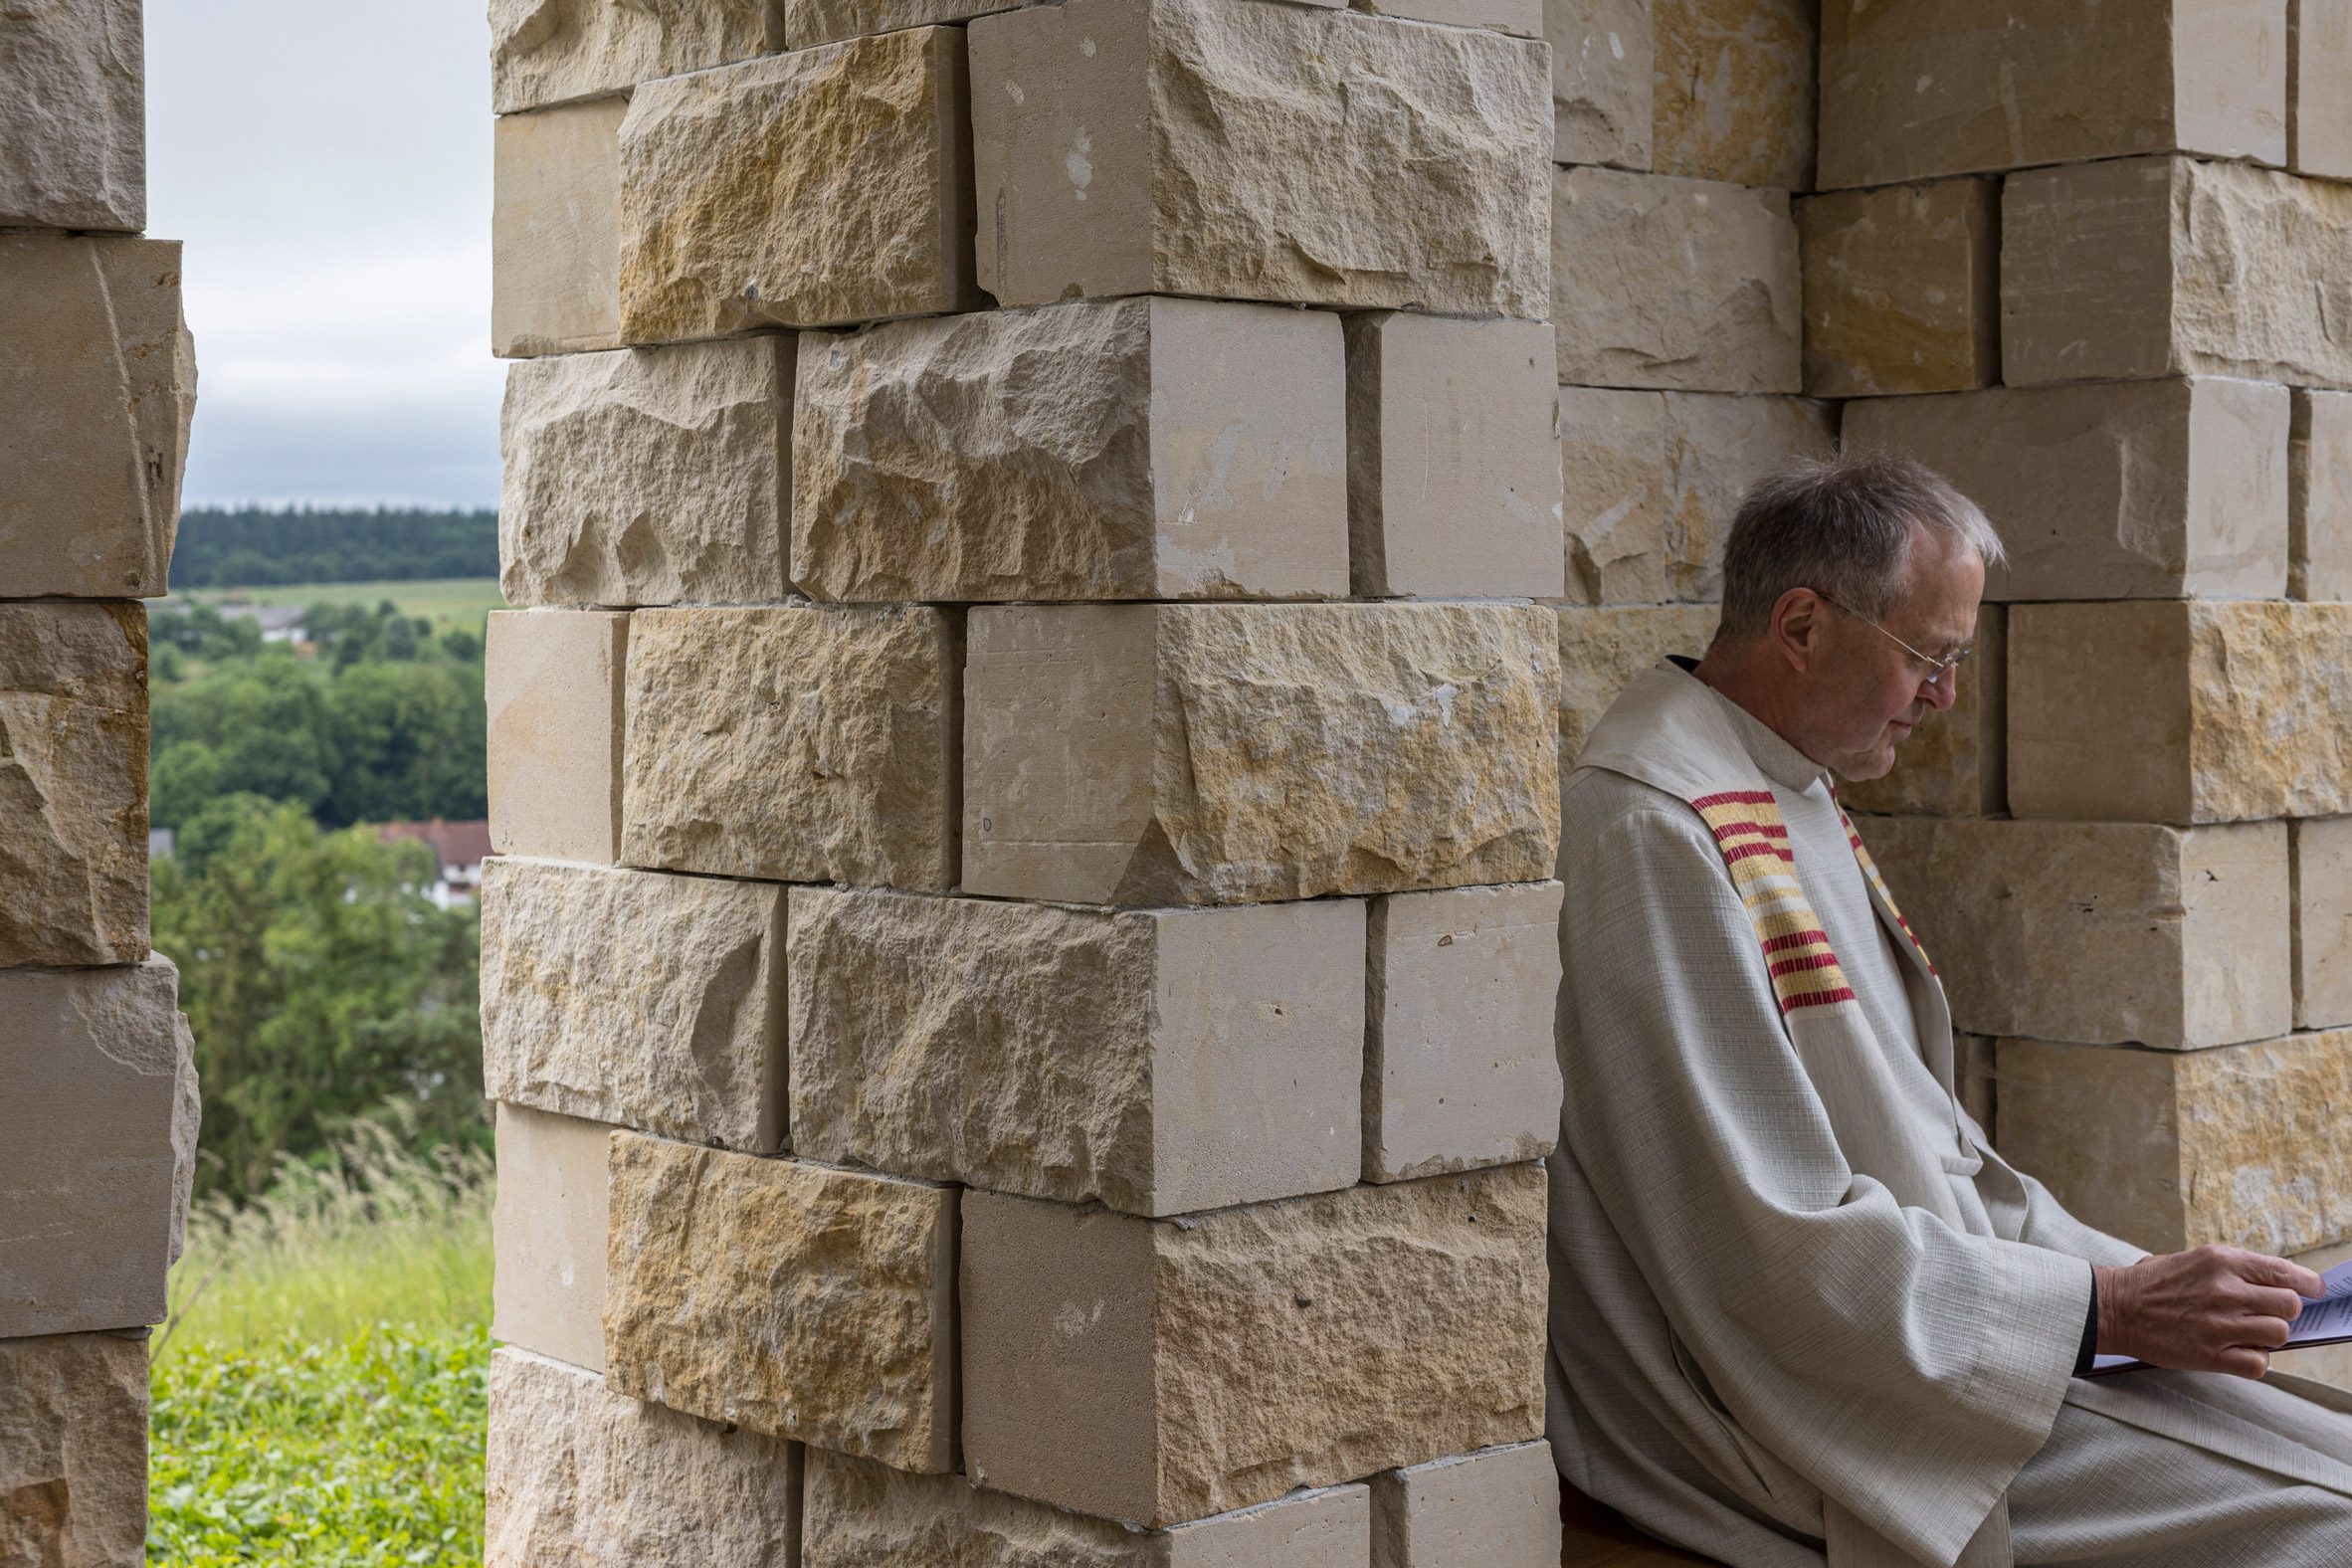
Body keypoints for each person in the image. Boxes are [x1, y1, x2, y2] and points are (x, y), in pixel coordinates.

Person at [1546, 453, 2352, 1567]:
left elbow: (1945, 1158)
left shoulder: (1786, 781)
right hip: (1805, 1408)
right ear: (1800, 626)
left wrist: (2152, 1291)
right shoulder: (1659, 828)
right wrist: (2105, 1309)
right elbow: (1768, 1252)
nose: (1945, 697)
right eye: (1930, 656)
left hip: (1938, 1335)